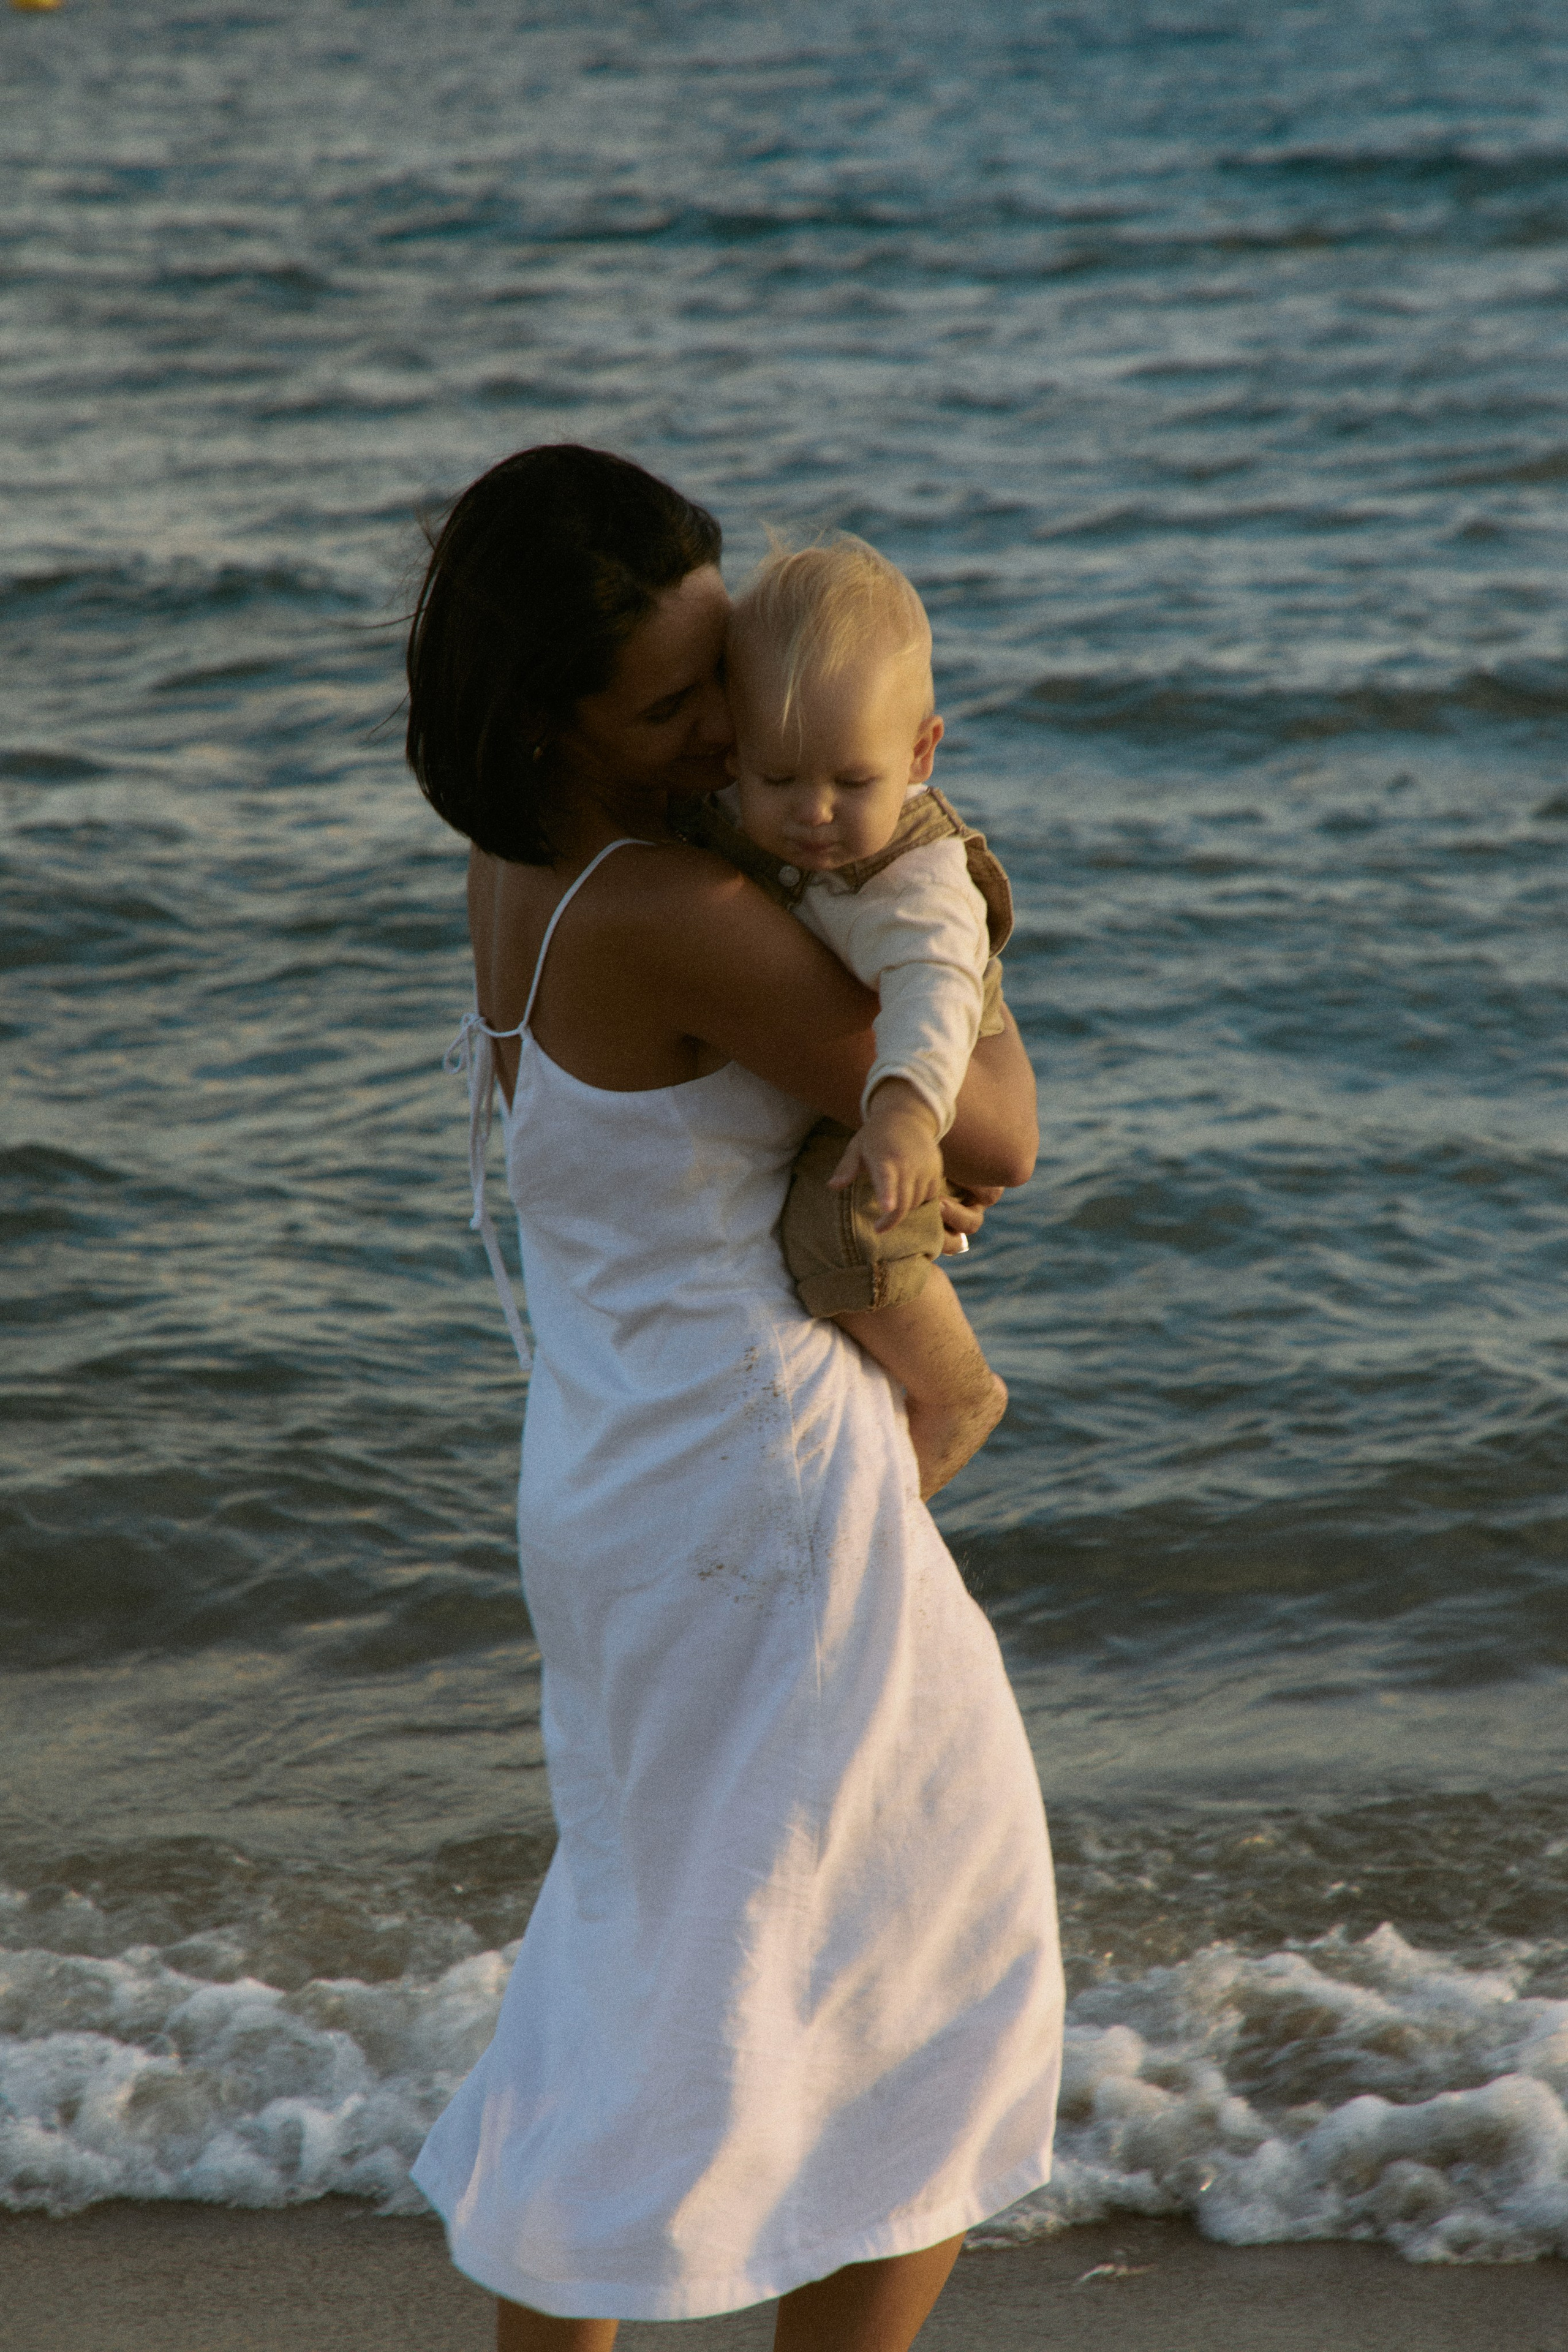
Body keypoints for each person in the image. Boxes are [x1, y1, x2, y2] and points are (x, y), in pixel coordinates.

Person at [404, 444, 1064, 2352]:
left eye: (733, 666)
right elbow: (998, 1129)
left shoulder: (519, 867)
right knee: (945, 1960)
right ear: (557, 718)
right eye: (681, 702)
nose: (734, 728)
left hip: (611, 1478)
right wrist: (926, 868)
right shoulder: (675, 911)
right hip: (761, 1496)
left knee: (648, 1974)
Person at [673, 532, 1014, 1502]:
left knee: (843, 1237)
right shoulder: (756, 798)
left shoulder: (914, 881)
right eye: (776, 780)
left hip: (924, 1028)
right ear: (734, 748)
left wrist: (907, 1112)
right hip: (864, 1007)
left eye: (851, 784)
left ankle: (956, 1394)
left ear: (919, 754)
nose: (812, 813)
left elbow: (936, 992)